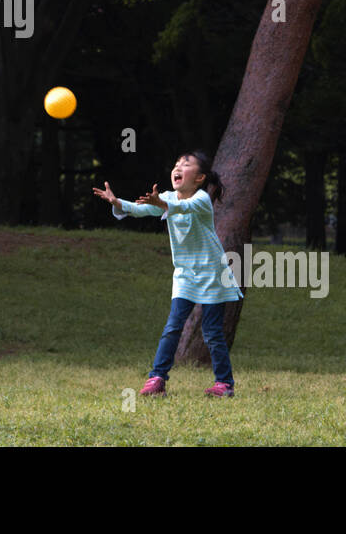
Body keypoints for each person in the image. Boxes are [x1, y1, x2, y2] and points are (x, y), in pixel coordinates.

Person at [92, 149, 242, 398]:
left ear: (200, 178)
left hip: (213, 274)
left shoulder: (202, 200)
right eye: (176, 164)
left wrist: (161, 204)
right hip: (184, 275)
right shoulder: (169, 197)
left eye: (186, 164)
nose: (178, 168)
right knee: (173, 327)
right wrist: (117, 203)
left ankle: (224, 384)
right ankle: (157, 378)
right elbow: (140, 209)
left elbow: (182, 209)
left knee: (212, 333)